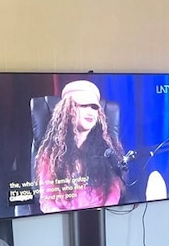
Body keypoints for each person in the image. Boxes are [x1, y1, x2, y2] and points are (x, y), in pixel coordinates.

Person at [34, 80, 125, 212]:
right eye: (83, 106)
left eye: (94, 107)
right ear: (68, 110)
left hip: (102, 216)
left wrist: (103, 213)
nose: (90, 112)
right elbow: (46, 200)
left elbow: (114, 192)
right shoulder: (51, 154)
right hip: (63, 220)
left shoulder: (108, 152)